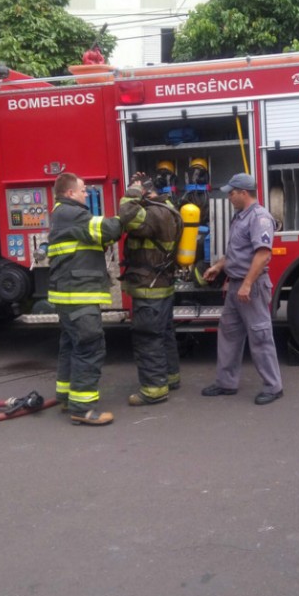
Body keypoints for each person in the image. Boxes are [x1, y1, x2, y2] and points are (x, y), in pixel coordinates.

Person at [49, 172, 139, 426]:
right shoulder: (72, 213)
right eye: (83, 190)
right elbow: (108, 228)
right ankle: (83, 408)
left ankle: (67, 397)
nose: (86, 194)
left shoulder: (62, 213)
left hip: (69, 294)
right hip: (78, 294)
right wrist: (131, 205)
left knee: (71, 345)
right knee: (90, 346)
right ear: (69, 193)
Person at [201, 173, 284, 405]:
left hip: (251, 287)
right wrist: (219, 266)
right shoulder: (240, 217)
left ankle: (273, 386)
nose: (229, 196)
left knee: (260, 336)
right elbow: (238, 252)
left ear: (243, 193)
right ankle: (226, 383)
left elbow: (263, 254)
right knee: (228, 334)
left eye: (232, 192)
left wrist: (247, 284)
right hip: (236, 286)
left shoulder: (259, 218)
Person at [119, 171, 182, 406]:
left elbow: (126, 215)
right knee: (164, 334)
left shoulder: (153, 214)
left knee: (148, 338)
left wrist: (133, 192)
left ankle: (153, 390)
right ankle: (170, 377)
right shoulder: (167, 209)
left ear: (147, 192)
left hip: (149, 288)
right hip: (161, 286)